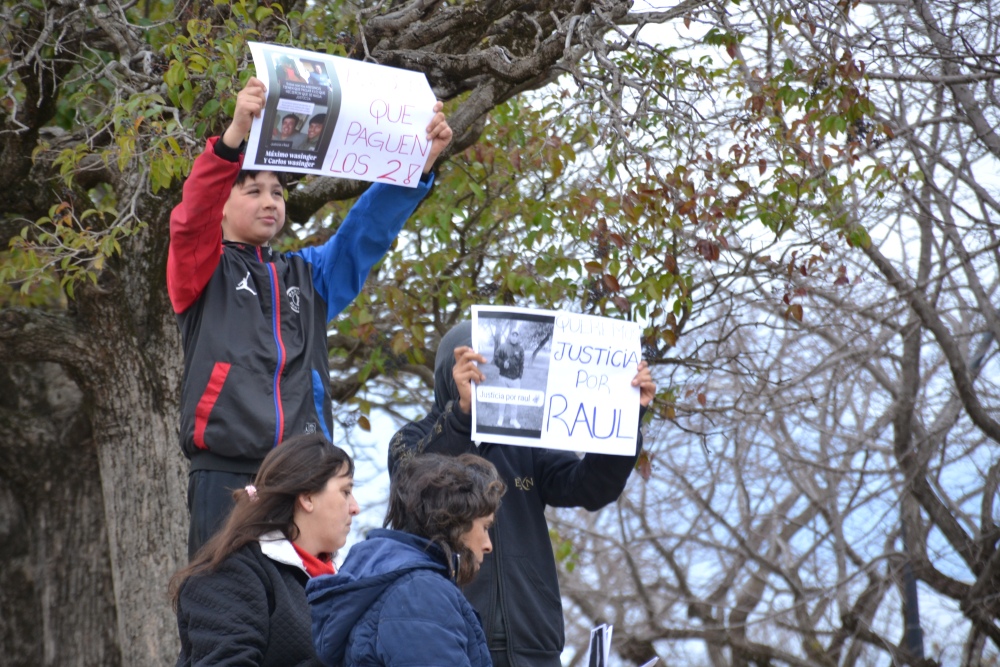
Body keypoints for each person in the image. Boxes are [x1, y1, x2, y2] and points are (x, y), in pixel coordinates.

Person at [168, 77, 452, 558]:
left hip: (304, 477)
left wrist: (416, 164)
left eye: (277, 193)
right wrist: (234, 137)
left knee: (305, 618)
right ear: (223, 207)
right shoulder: (201, 267)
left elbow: (365, 232)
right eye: (252, 190)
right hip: (225, 474)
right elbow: (191, 214)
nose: (268, 201)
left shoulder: (309, 274)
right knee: (225, 613)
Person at [387, 321, 656, 667]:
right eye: (473, 369)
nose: (485, 378)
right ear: (447, 374)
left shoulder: (526, 441)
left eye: (491, 368)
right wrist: (463, 416)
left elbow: (590, 487)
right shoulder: (411, 439)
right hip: (449, 643)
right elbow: (414, 484)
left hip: (535, 643)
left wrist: (625, 419)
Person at [171, 433, 359, 667]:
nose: (355, 508)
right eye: (345, 491)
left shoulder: (350, 579)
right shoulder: (229, 575)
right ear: (308, 498)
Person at [308, 453, 505, 667]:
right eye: (484, 528)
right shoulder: (421, 594)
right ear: (453, 522)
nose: (488, 545)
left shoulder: (401, 583)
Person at [492, 326, 525, 427]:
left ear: (518, 337)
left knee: (514, 400)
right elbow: (496, 358)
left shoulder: (520, 349)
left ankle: (513, 419)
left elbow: (521, 364)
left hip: (515, 379)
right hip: (504, 378)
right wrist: (502, 364)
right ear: (510, 336)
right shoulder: (502, 346)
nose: (514, 337)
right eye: (513, 335)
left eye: (516, 335)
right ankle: (500, 418)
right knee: (502, 399)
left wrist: (519, 376)